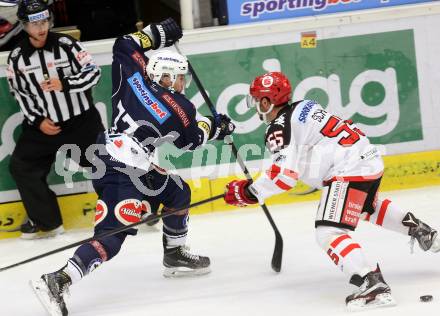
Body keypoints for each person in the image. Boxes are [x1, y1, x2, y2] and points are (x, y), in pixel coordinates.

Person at [30, 18, 235, 315]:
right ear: (166, 77)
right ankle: (60, 278)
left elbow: (126, 43)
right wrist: (219, 126)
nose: (182, 84)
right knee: (111, 237)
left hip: (114, 156)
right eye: (179, 78)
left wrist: (160, 33)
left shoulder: (132, 71)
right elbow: (190, 141)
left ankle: (175, 254)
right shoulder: (182, 108)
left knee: (177, 191)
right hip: (121, 170)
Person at [223, 71, 440, 311]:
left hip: (348, 170)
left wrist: (250, 192)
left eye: (256, 101)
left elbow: (284, 176)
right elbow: (301, 159)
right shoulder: (305, 106)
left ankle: (373, 284)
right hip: (367, 159)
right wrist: (256, 188)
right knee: (366, 208)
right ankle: (423, 232)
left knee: (327, 232)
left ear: (266, 102)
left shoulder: (278, 127)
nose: (255, 107)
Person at [5, 0, 103, 239]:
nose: (41, 28)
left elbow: (93, 73)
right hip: (44, 127)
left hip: (81, 122)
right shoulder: (17, 58)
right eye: (34, 23)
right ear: (23, 26)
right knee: (22, 166)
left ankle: (134, 206)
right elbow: (20, 93)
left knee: (106, 165)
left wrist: (66, 83)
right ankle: (47, 223)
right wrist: (38, 121)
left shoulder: (66, 44)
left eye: (44, 21)